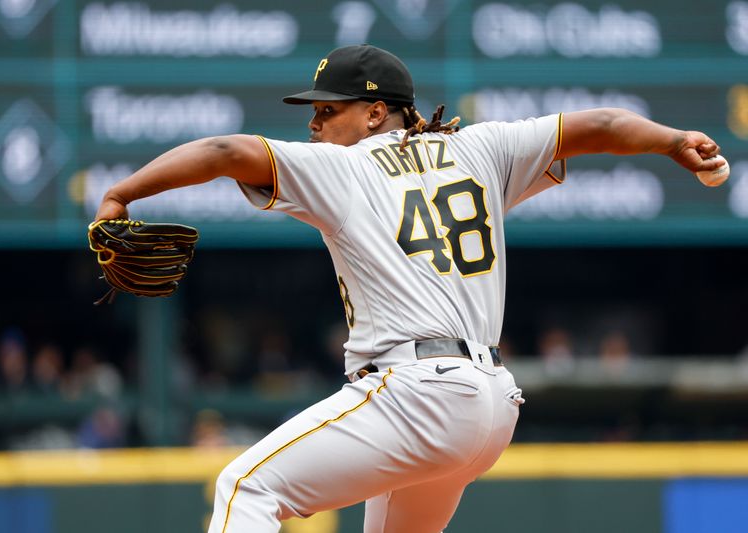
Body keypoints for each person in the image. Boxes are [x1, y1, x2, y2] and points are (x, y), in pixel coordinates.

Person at [93, 45, 724, 533]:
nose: (314, 125)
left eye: (327, 110)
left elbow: (226, 148)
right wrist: (673, 142)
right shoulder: (481, 149)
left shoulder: (345, 167)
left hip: (417, 395)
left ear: (375, 113)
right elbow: (604, 122)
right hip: (491, 407)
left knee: (244, 488)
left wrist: (122, 194)